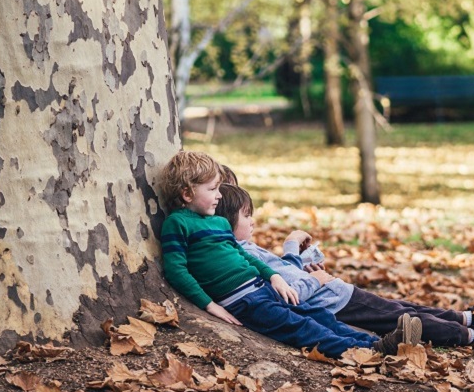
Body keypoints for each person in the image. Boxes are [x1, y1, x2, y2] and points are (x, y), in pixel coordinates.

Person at [214, 182, 474, 351]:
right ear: (227, 221)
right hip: (333, 301)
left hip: (336, 292)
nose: (254, 221)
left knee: (408, 308)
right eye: (247, 216)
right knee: (409, 320)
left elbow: (288, 276)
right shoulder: (239, 253)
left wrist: (304, 263)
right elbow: (290, 290)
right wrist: (302, 263)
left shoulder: (242, 247)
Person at [158, 151, 422, 358]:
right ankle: (366, 353)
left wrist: (274, 277)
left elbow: (244, 257)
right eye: (213, 189)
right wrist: (209, 305)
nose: (219, 196)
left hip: (263, 287)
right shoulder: (178, 224)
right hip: (244, 302)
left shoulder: (218, 222)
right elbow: (177, 270)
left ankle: (380, 343)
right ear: (187, 192)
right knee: (301, 328)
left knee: (318, 316)